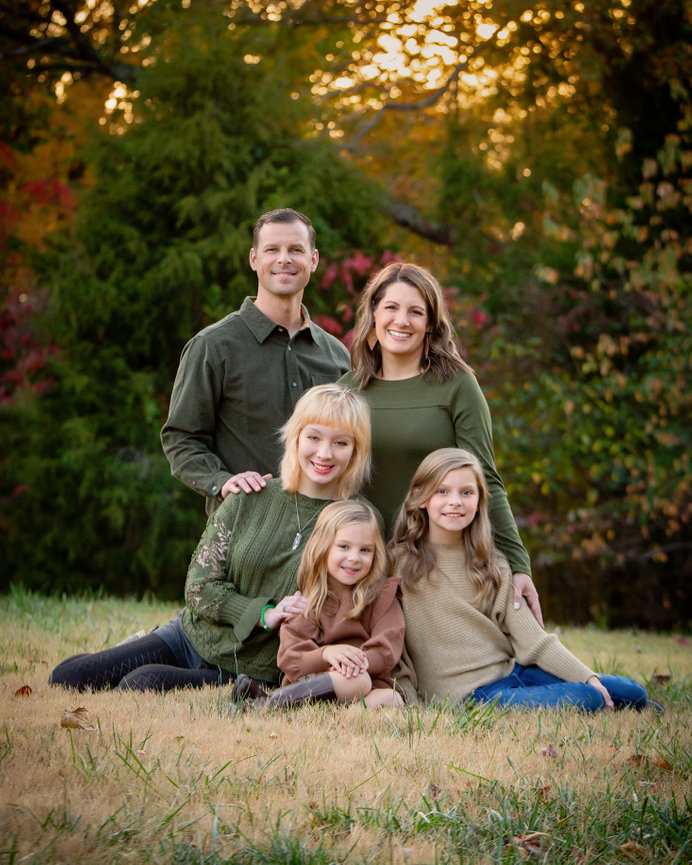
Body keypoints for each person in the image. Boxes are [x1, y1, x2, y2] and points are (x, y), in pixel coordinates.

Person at [49, 385, 372, 692]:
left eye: (341, 443)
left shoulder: (358, 522)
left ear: (356, 450)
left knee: (140, 684)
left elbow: (351, 610)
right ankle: (134, 647)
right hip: (191, 636)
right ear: (296, 438)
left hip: (250, 667)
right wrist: (263, 613)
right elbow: (199, 586)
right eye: (314, 437)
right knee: (68, 677)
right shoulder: (250, 496)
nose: (325, 453)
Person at [339, 261, 542, 623]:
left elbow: (485, 480)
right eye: (391, 308)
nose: (401, 320)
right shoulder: (347, 391)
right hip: (361, 565)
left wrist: (518, 564)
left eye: (415, 311)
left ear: (431, 324)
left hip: (434, 566)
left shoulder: (458, 387)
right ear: (373, 313)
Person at [389, 448, 653, 711]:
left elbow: (535, 642)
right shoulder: (399, 563)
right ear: (420, 498)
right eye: (442, 491)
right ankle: (590, 700)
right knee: (588, 699)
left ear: (480, 500)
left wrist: (589, 677)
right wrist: (409, 700)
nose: (455, 501)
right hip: (472, 697)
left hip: (512, 674)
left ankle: (609, 699)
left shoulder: (491, 564)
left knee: (633, 693)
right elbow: (393, 646)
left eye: (466, 492)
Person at [161, 208, 350, 515]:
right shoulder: (213, 346)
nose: (284, 259)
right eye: (272, 249)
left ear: (313, 261)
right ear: (254, 259)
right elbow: (181, 438)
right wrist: (222, 481)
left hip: (323, 533)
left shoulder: (337, 355)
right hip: (245, 532)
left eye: (296, 250)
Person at [236, 500, 405, 709]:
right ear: (322, 547)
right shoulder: (309, 601)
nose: (354, 558)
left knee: (392, 699)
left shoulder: (382, 595)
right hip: (315, 686)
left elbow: (387, 649)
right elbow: (292, 659)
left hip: (368, 681)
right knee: (356, 682)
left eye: (365, 550)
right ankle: (268, 706)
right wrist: (327, 655)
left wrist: (352, 664)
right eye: (344, 546)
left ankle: (270, 704)